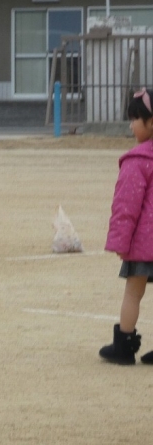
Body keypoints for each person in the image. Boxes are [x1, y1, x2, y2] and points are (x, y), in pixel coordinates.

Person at [99, 87, 153, 365]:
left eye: (134, 119)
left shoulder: (138, 160)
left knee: (134, 291)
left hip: (144, 242)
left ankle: (124, 345)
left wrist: (120, 242)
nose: (131, 125)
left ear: (151, 122)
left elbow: (126, 206)